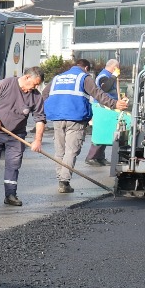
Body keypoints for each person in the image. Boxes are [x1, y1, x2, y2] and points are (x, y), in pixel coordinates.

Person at [42, 58, 126, 193]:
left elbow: (45, 94)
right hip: (75, 117)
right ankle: (64, 182)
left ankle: (61, 179)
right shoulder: (84, 77)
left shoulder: (58, 78)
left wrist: (52, 107)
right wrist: (115, 104)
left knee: (60, 151)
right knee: (71, 150)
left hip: (57, 118)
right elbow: (98, 94)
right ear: (86, 68)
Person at [0, 70, 46, 206]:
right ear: (27, 77)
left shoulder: (36, 97)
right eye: (34, 84)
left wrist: (37, 140)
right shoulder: (5, 84)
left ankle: (10, 195)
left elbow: (40, 119)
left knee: (13, 165)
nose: (35, 88)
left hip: (17, 135)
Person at [86, 58, 123, 165]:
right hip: (102, 108)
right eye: (118, 68)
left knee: (106, 132)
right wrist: (114, 75)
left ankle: (100, 157)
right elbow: (105, 87)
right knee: (101, 132)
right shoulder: (103, 76)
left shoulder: (109, 76)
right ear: (114, 67)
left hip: (109, 108)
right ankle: (91, 157)